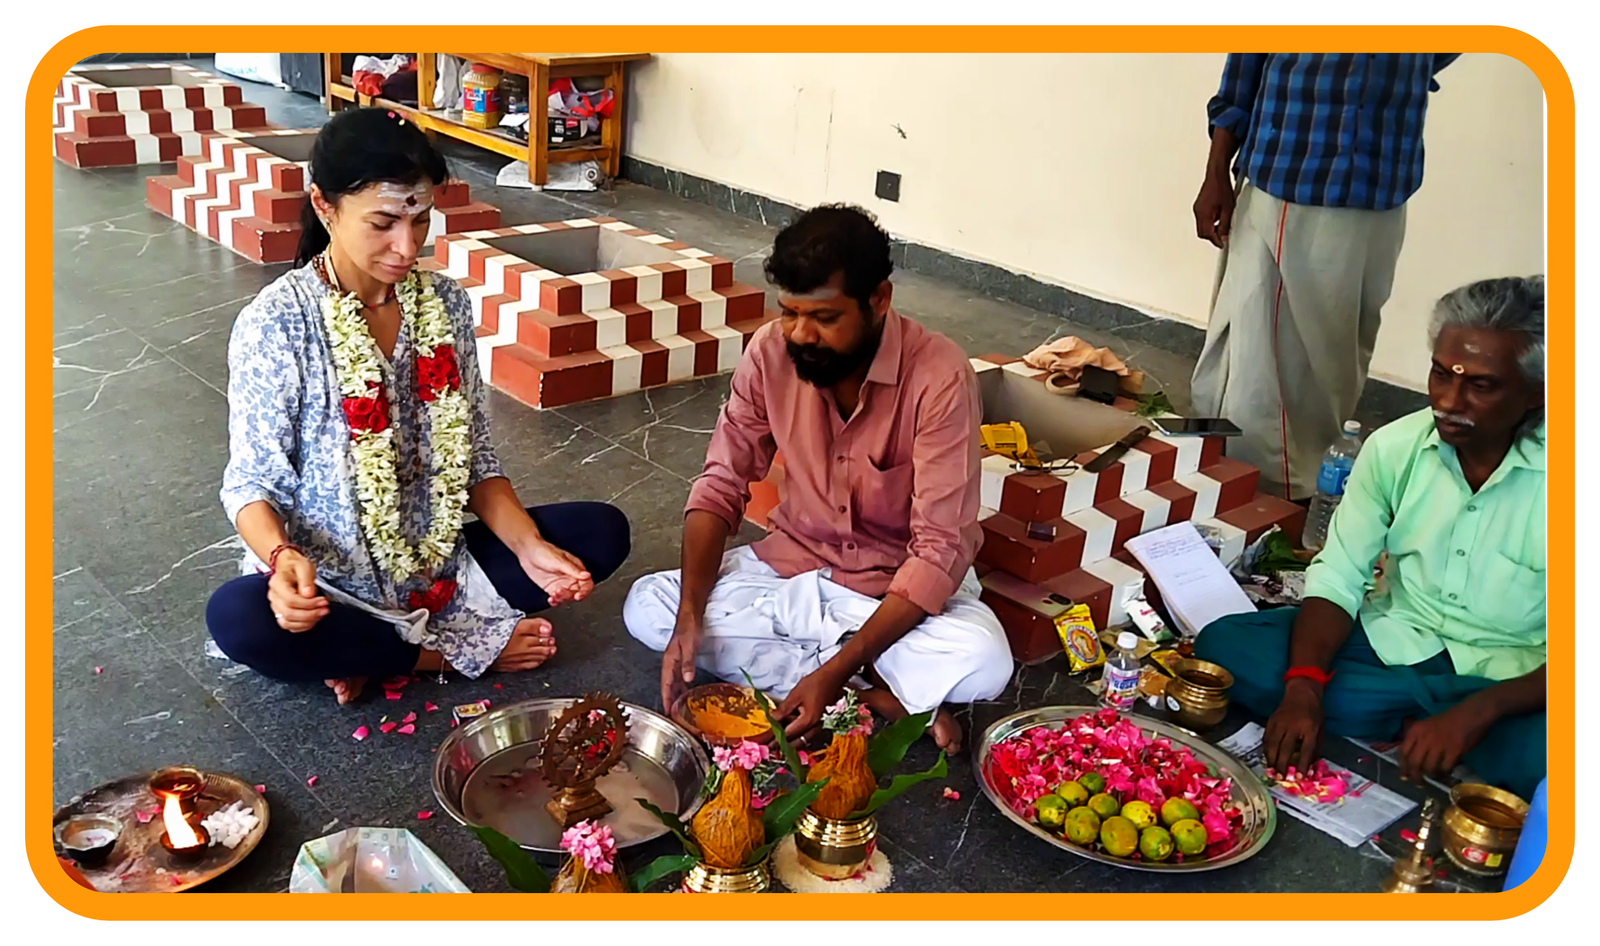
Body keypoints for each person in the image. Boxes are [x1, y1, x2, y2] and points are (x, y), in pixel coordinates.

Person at [205, 107, 631, 705]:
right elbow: (251, 480)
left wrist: (529, 547)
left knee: (601, 532)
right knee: (238, 619)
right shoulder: (276, 323)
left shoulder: (445, 304)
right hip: (331, 580)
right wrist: (281, 562)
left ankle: (373, 652)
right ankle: (439, 654)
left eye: (420, 219)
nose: (407, 246)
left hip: (437, 566)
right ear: (325, 206)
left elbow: (475, 455)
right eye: (382, 223)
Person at [623, 204, 1012, 753]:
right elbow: (720, 484)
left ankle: (830, 680)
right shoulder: (769, 353)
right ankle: (879, 695)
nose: (801, 335)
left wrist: (833, 670)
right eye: (789, 313)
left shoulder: (939, 376)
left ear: (878, 300)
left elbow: (938, 551)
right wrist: (690, 615)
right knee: (650, 607)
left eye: (825, 319)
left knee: (985, 660)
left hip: (889, 591)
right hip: (791, 572)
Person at [1195, 276, 1547, 801]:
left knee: (1558, 761)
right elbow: (1339, 572)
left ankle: (1444, 724)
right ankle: (1432, 730)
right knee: (1225, 647)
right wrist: (1306, 683)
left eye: (1481, 385)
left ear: (1536, 393)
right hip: (1396, 641)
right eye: (1440, 375)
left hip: (1513, 673)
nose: (1449, 401)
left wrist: (1483, 709)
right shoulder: (1396, 448)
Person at [1190, 53, 1461, 502]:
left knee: (1341, 351)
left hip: (1384, 181)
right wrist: (1216, 170)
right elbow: (1242, 72)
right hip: (1294, 178)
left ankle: (1308, 484)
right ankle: (1255, 498)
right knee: (1267, 365)